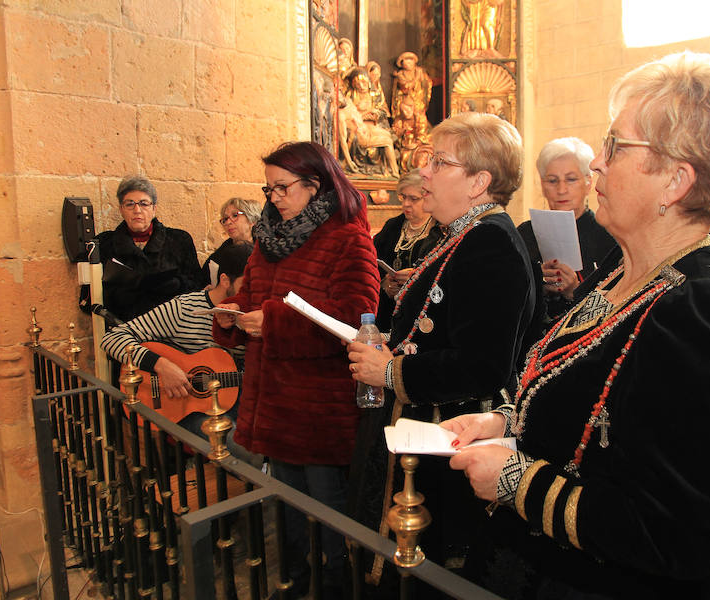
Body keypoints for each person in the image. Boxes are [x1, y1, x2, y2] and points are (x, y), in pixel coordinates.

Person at [442, 52, 710, 598]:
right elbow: (595, 395)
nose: (597, 162)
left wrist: (513, 481)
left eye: (616, 145)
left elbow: (680, 534)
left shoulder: (703, 309)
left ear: (675, 180)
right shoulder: (626, 267)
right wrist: (505, 423)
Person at [346, 112, 534, 589]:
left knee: (429, 578)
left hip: (447, 446)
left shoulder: (489, 244)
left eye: (438, 161)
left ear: (479, 182)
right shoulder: (464, 235)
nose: (423, 171)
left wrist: (391, 372)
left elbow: (482, 365)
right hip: (423, 437)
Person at [212, 141, 380, 598]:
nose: (274, 198)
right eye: (268, 190)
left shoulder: (348, 236)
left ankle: (336, 587)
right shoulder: (267, 240)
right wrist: (234, 316)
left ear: (315, 184)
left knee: (328, 513)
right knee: (287, 511)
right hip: (274, 405)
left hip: (318, 410)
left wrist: (276, 323)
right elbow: (253, 302)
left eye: (282, 187)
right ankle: (297, 580)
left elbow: (356, 317)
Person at [100, 243, 259, 463]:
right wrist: (162, 366)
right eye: (246, 285)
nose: (253, 294)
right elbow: (112, 338)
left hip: (239, 398)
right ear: (224, 280)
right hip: (187, 407)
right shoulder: (183, 309)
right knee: (243, 449)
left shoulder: (253, 315)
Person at [518, 137, 616, 329]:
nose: (561, 190)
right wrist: (536, 282)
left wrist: (575, 291)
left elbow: (617, 308)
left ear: (588, 183)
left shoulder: (609, 236)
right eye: (552, 181)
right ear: (542, 185)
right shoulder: (524, 234)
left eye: (571, 180)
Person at [96, 175, 203, 322]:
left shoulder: (179, 240)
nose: (137, 210)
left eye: (144, 204)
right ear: (121, 209)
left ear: (154, 209)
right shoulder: (105, 243)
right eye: (130, 204)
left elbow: (197, 286)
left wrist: (176, 284)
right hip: (124, 327)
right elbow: (92, 296)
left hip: (171, 325)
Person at [371, 171, 444, 331]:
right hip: (386, 312)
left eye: (413, 199)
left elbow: (444, 274)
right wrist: (384, 283)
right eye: (403, 197)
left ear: (429, 196)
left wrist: (418, 279)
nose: (406, 204)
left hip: (421, 315)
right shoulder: (393, 226)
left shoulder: (441, 231)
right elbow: (370, 263)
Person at [201, 197, 262, 286]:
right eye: (225, 219)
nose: (228, 222)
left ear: (252, 220)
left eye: (235, 215)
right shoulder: (218, 256)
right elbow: (202, 282)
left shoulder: (265, 251)